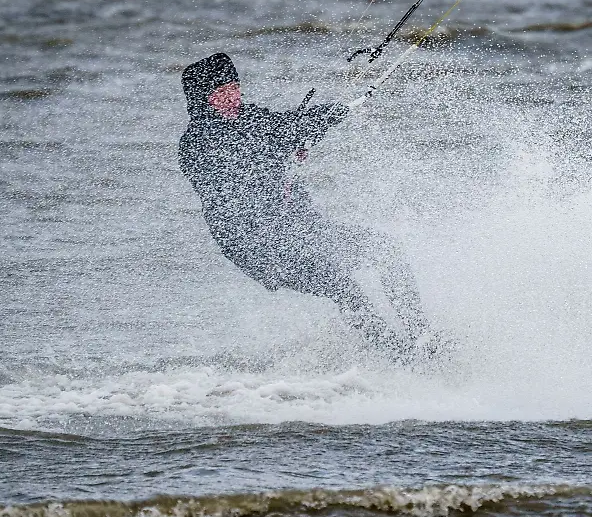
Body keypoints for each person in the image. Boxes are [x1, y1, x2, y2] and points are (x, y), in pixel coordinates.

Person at [178, 52, 432, 356]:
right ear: (203, 100)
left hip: (300, 230)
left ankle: (423, 337)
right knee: (344, 287)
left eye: (234, 87)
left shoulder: (251, 118)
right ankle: (398, 355)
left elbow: (287, 127)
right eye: (220, 92)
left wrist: (311, 129)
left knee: (384, 251)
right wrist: (289, 142)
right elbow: (260, 147)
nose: (231, 96)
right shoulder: (198, 141)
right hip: (256, 245)